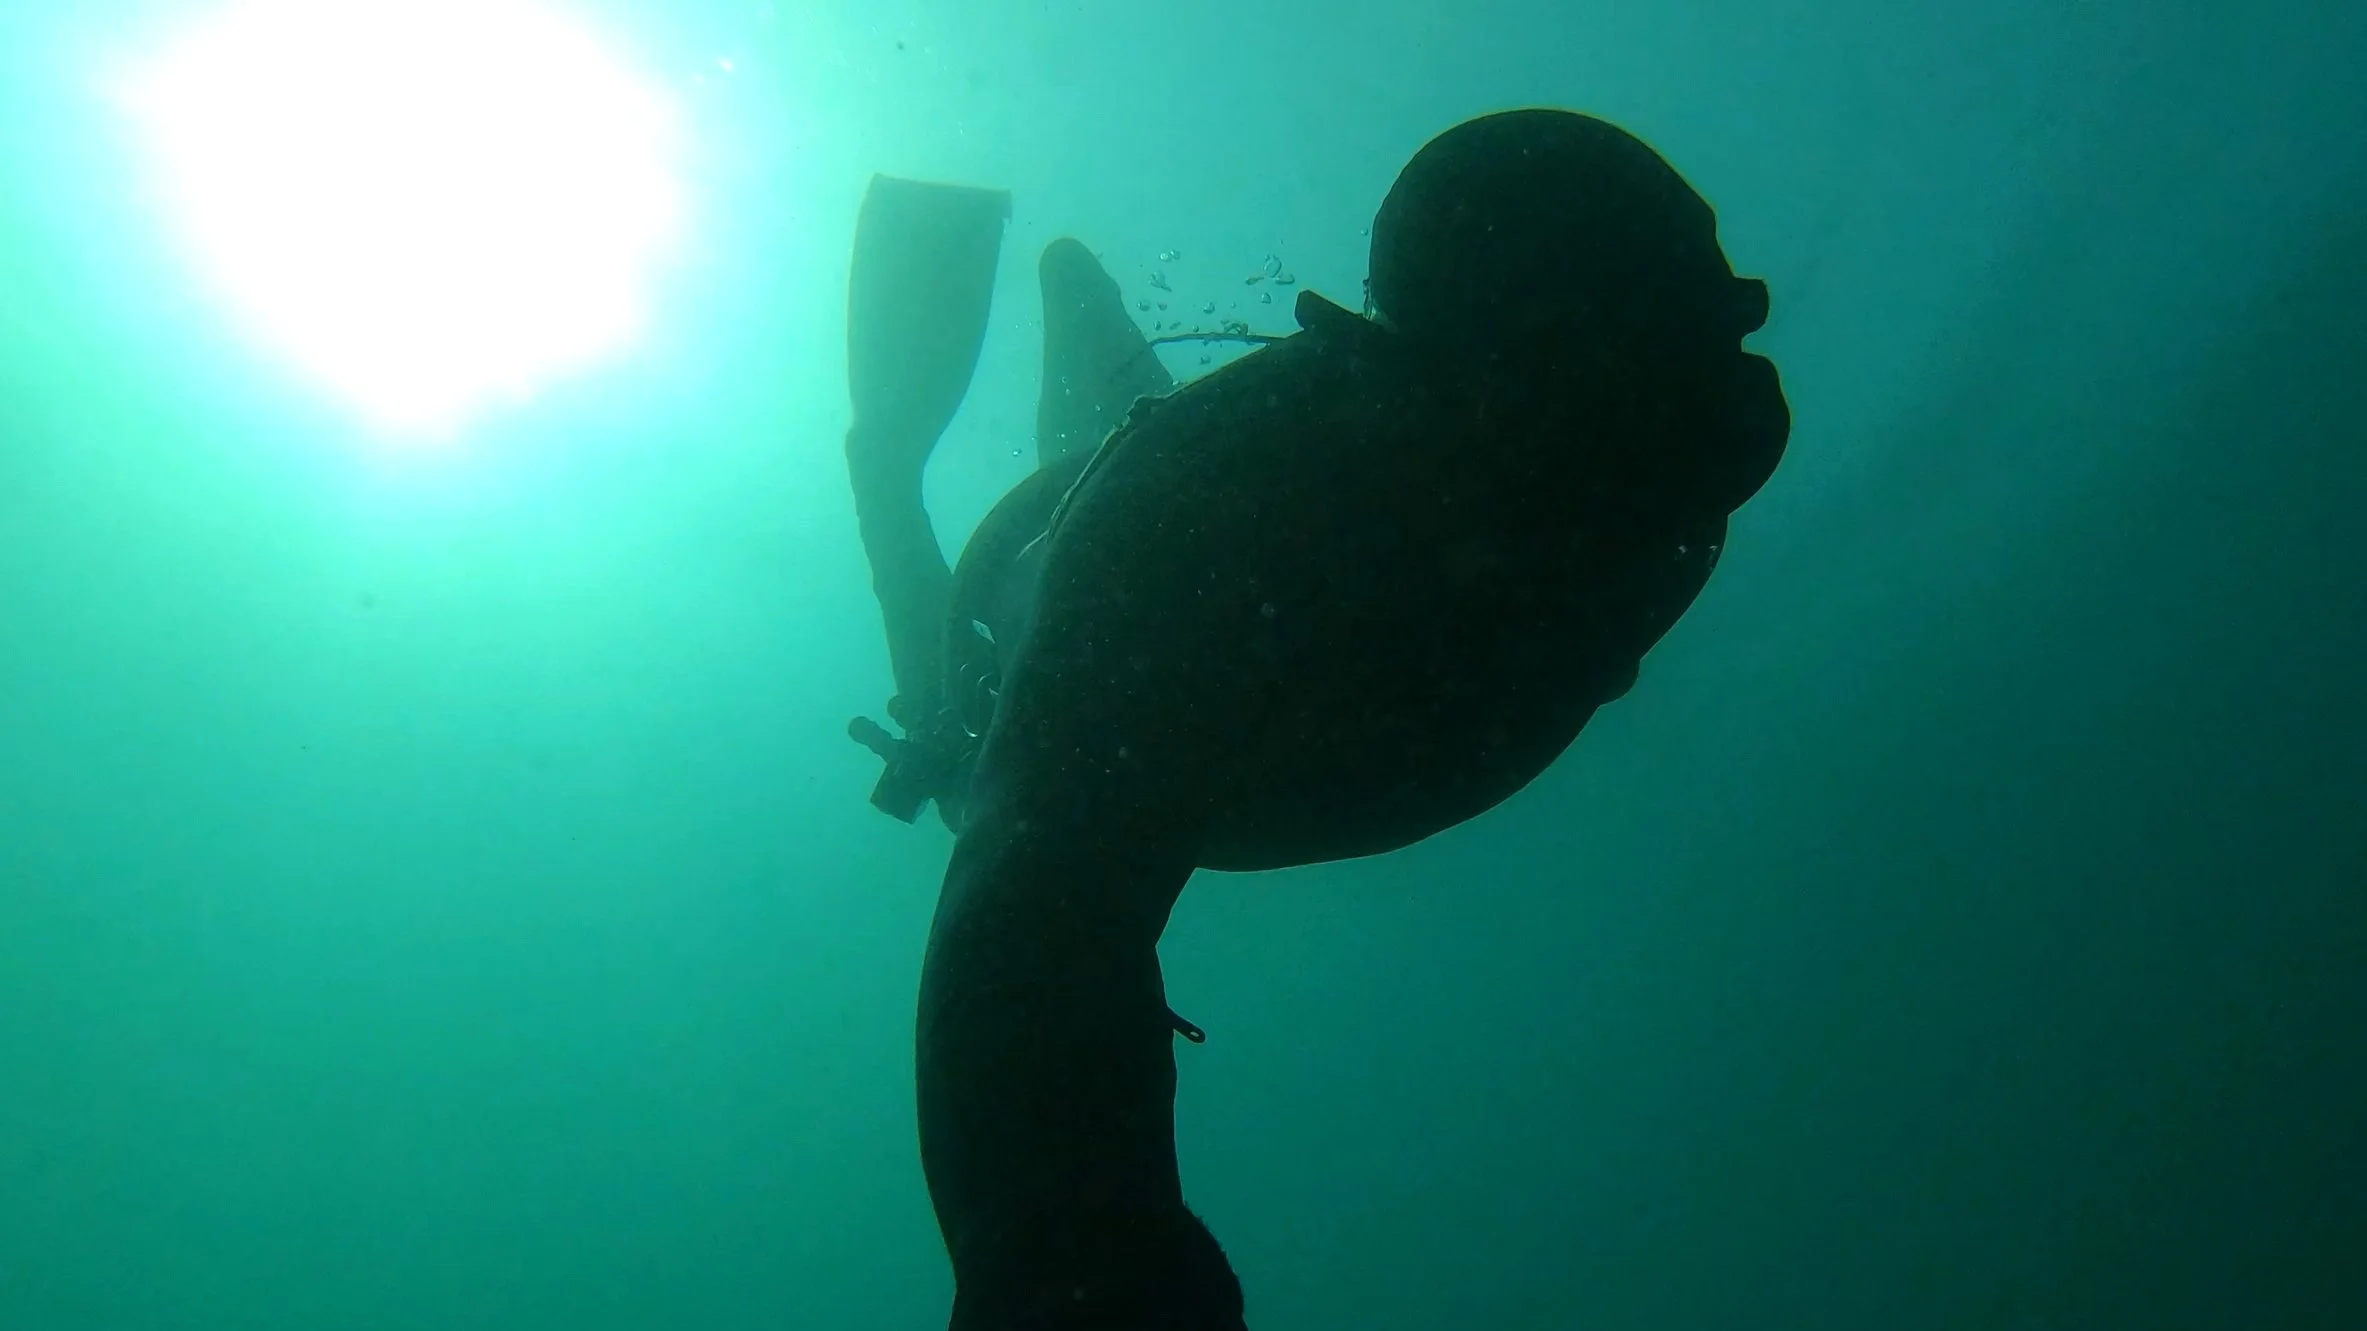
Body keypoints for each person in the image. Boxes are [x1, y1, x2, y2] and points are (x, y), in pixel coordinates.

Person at [844, 108, 1791, 1330]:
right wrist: (1077, 1271)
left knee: (1121, 452)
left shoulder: (1664, 451)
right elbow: (1028, 926)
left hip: (1240, 634)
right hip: (1030, 620)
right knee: (981, 706)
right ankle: (888, 462)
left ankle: (1087, 339)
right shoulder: (1199, 521)